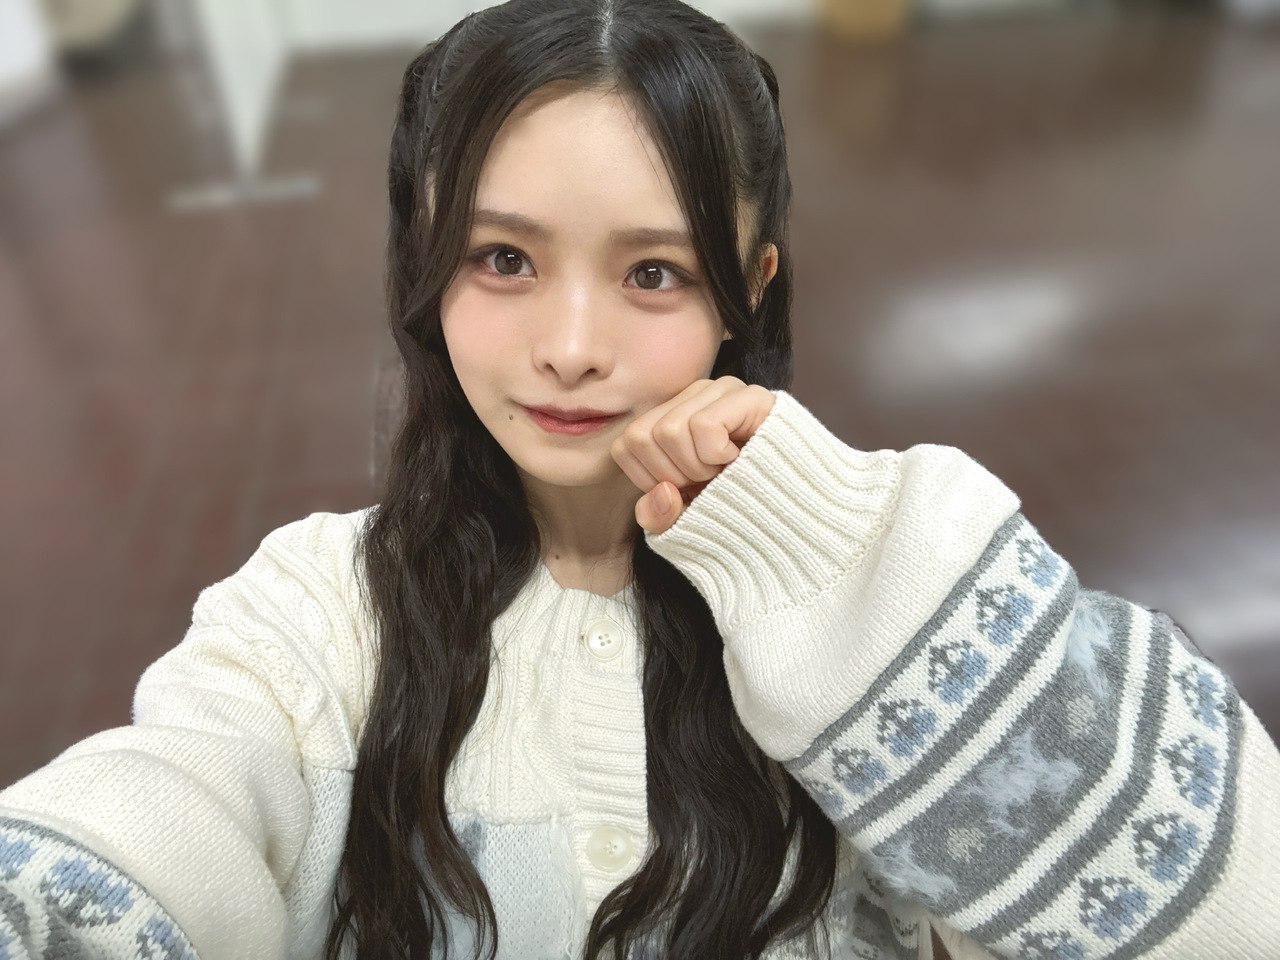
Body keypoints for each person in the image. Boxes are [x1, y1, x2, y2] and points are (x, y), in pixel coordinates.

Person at [2, 0, 1278, 958]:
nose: (570, 345)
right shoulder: (316, 610)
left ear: (749, 288)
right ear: (423, 262)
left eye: (652, 273)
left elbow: (1234, 911)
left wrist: (844, 565)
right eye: (503, 259)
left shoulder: (885, 585)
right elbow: (165, 810)